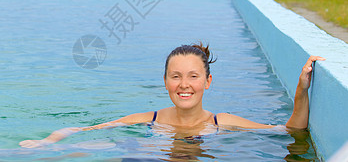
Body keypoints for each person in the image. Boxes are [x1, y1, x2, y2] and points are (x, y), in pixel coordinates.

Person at [20, 42, 325, 148]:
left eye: (193, 77)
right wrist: (46, 143)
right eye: (176, 77)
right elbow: (83, 130)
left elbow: (290, 130)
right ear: (165, 82)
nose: (184, 85)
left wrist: (301, 90)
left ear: (208, 82)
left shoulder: (222, 122)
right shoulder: (147, 119)